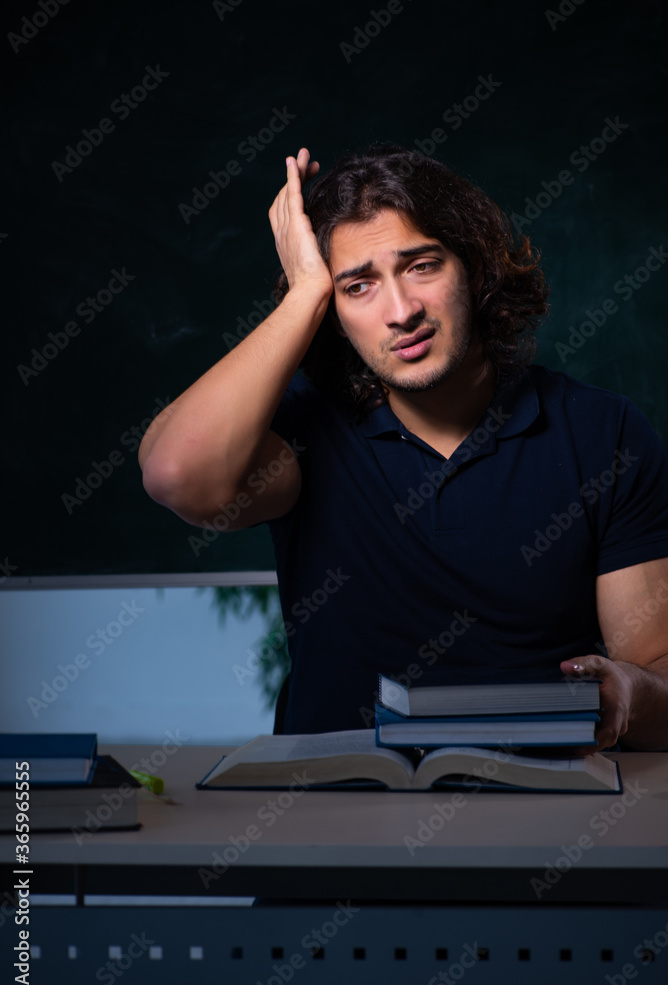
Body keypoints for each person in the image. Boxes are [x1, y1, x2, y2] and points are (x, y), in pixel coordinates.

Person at [138, 144, 668, 751]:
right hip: (330, 817)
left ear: (472, 267)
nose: (401, 311)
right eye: (357, 286)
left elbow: (657, 667)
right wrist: (304, 293)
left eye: (421, 266)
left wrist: (628, 691)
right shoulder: (301, 435)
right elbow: (177, 473)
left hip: (546, 810)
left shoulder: (602, 432)